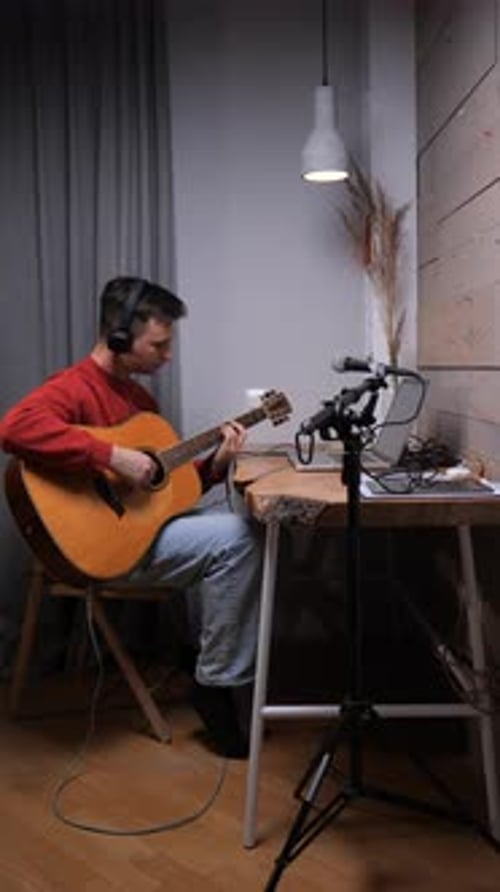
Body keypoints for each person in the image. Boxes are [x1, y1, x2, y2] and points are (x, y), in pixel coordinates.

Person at [0, 275, 262, 758]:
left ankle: (212, 666)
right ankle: (217, 683)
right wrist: (110, 456)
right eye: (158, 345)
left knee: (238, 523)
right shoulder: (73, 386)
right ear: (119, 337)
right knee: (239, 537)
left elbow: (164, 492)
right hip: (96, 549)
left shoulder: (141, 402)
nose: (167, 356)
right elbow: (14, 428)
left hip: (138, 534)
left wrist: (218, 463)